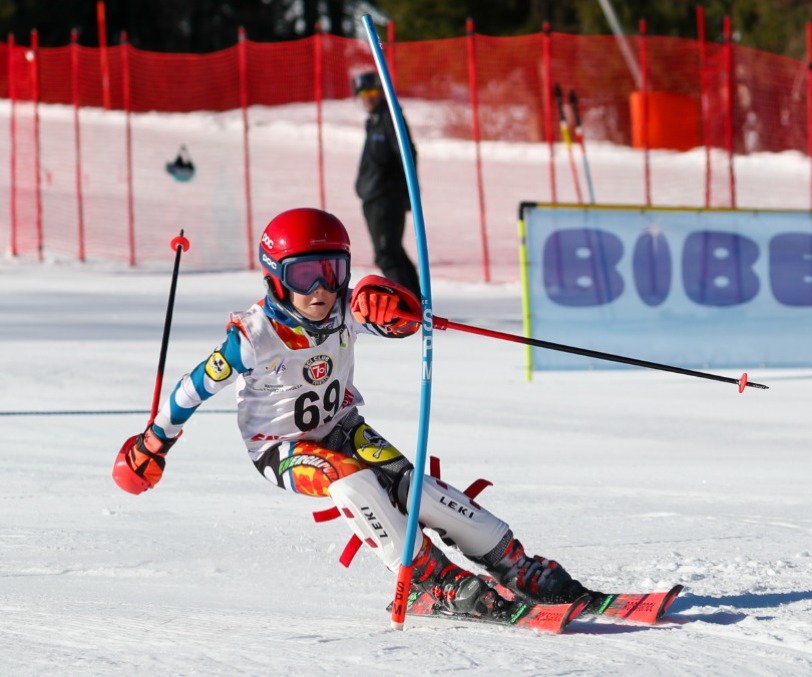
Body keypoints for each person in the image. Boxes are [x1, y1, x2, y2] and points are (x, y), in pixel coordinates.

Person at [112, 207, 592, 620]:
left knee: (412, 485)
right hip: (281, 448)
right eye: (305, 275)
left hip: (343, 428)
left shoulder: (345, 308)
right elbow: (193, 386)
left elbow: (390, 315)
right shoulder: (253, 338)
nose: (322, 288)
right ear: (276, 276)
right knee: (350, 482)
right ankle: (429, 578)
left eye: (333, 270)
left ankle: (514, 563)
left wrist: (392, 306)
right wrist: (155, 442)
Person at [353, 71, 421, 296]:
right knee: (392, 251)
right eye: (363, 93)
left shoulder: (390, 118)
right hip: (374, 197)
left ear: (381, 93)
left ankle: (407, 304)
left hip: (386, 198)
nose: (368, 98)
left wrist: (408, 193)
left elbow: (407, 154)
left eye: (372, 92)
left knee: (386, 254)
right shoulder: (375, 120)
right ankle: (415, 299)